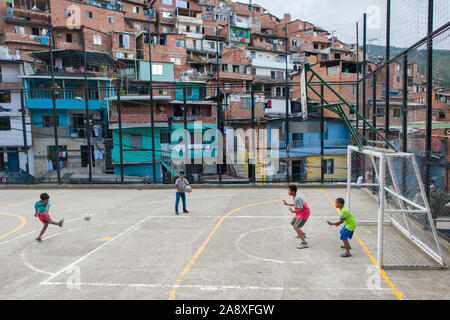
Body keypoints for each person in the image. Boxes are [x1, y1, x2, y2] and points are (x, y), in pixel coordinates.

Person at [283, 185, 310, 249]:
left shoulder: (297, 198)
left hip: (304, 213)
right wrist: (287, 204)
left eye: (289, 190)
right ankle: (302, 234)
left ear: (293, 191)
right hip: (300, 213)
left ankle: (304, 243)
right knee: (293, 223)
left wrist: (293, 211)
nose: (288, 191)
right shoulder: (295, 197)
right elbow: (296, 204)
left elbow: (301, 209)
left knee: (296, 226)